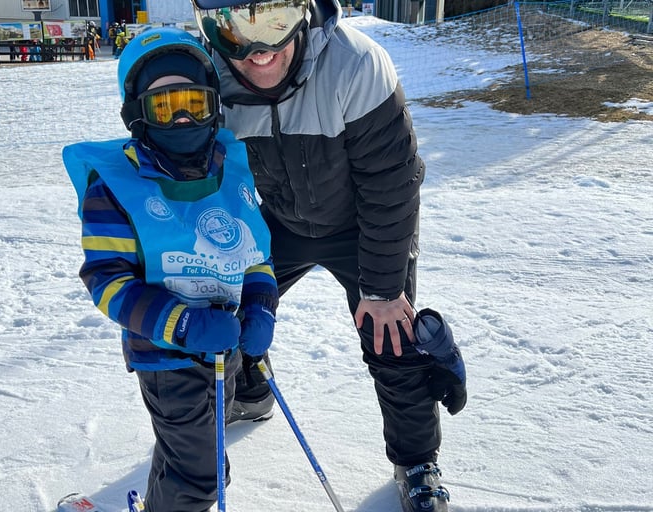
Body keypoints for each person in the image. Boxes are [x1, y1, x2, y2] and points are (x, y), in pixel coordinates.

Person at [190, 1, 468, 511]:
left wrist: (383, 290)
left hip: (361, 222)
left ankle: (416, 460)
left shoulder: (356, 64)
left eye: (274, 21)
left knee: (391, 334)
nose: (259, 51)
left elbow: (391, 184)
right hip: (274, 220)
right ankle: (250, 390)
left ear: (303, 10)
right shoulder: (207, 78)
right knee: (223, 306)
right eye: (233, 29)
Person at [62, 27, 279, 512]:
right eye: (164, 107)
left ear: (214, 107)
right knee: (203, 476)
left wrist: (261, 308)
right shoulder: (114, 189)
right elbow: (107, 281)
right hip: (166, 358)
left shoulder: (231, 172)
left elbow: (257, 257)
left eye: (194, 104)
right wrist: (183, 324)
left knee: (195, 449)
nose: (182, 118)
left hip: (228, 350)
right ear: (137, 114)